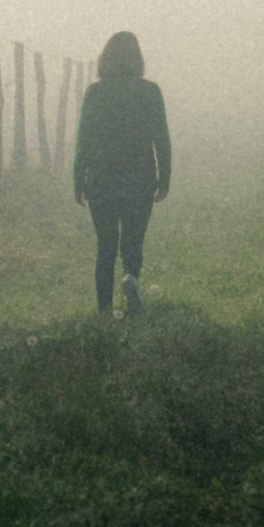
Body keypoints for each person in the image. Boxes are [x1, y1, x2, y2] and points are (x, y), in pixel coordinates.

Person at [73, 31, 171, 317]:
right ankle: (131, 282)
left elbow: (84, 140)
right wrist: (164, 178)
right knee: (132, 241)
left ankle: (104, 310)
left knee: (105, 245)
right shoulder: (150, 92)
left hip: (102, 178)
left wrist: (78, 179)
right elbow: (161, 139)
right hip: (140, 177)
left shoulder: (95, 93)